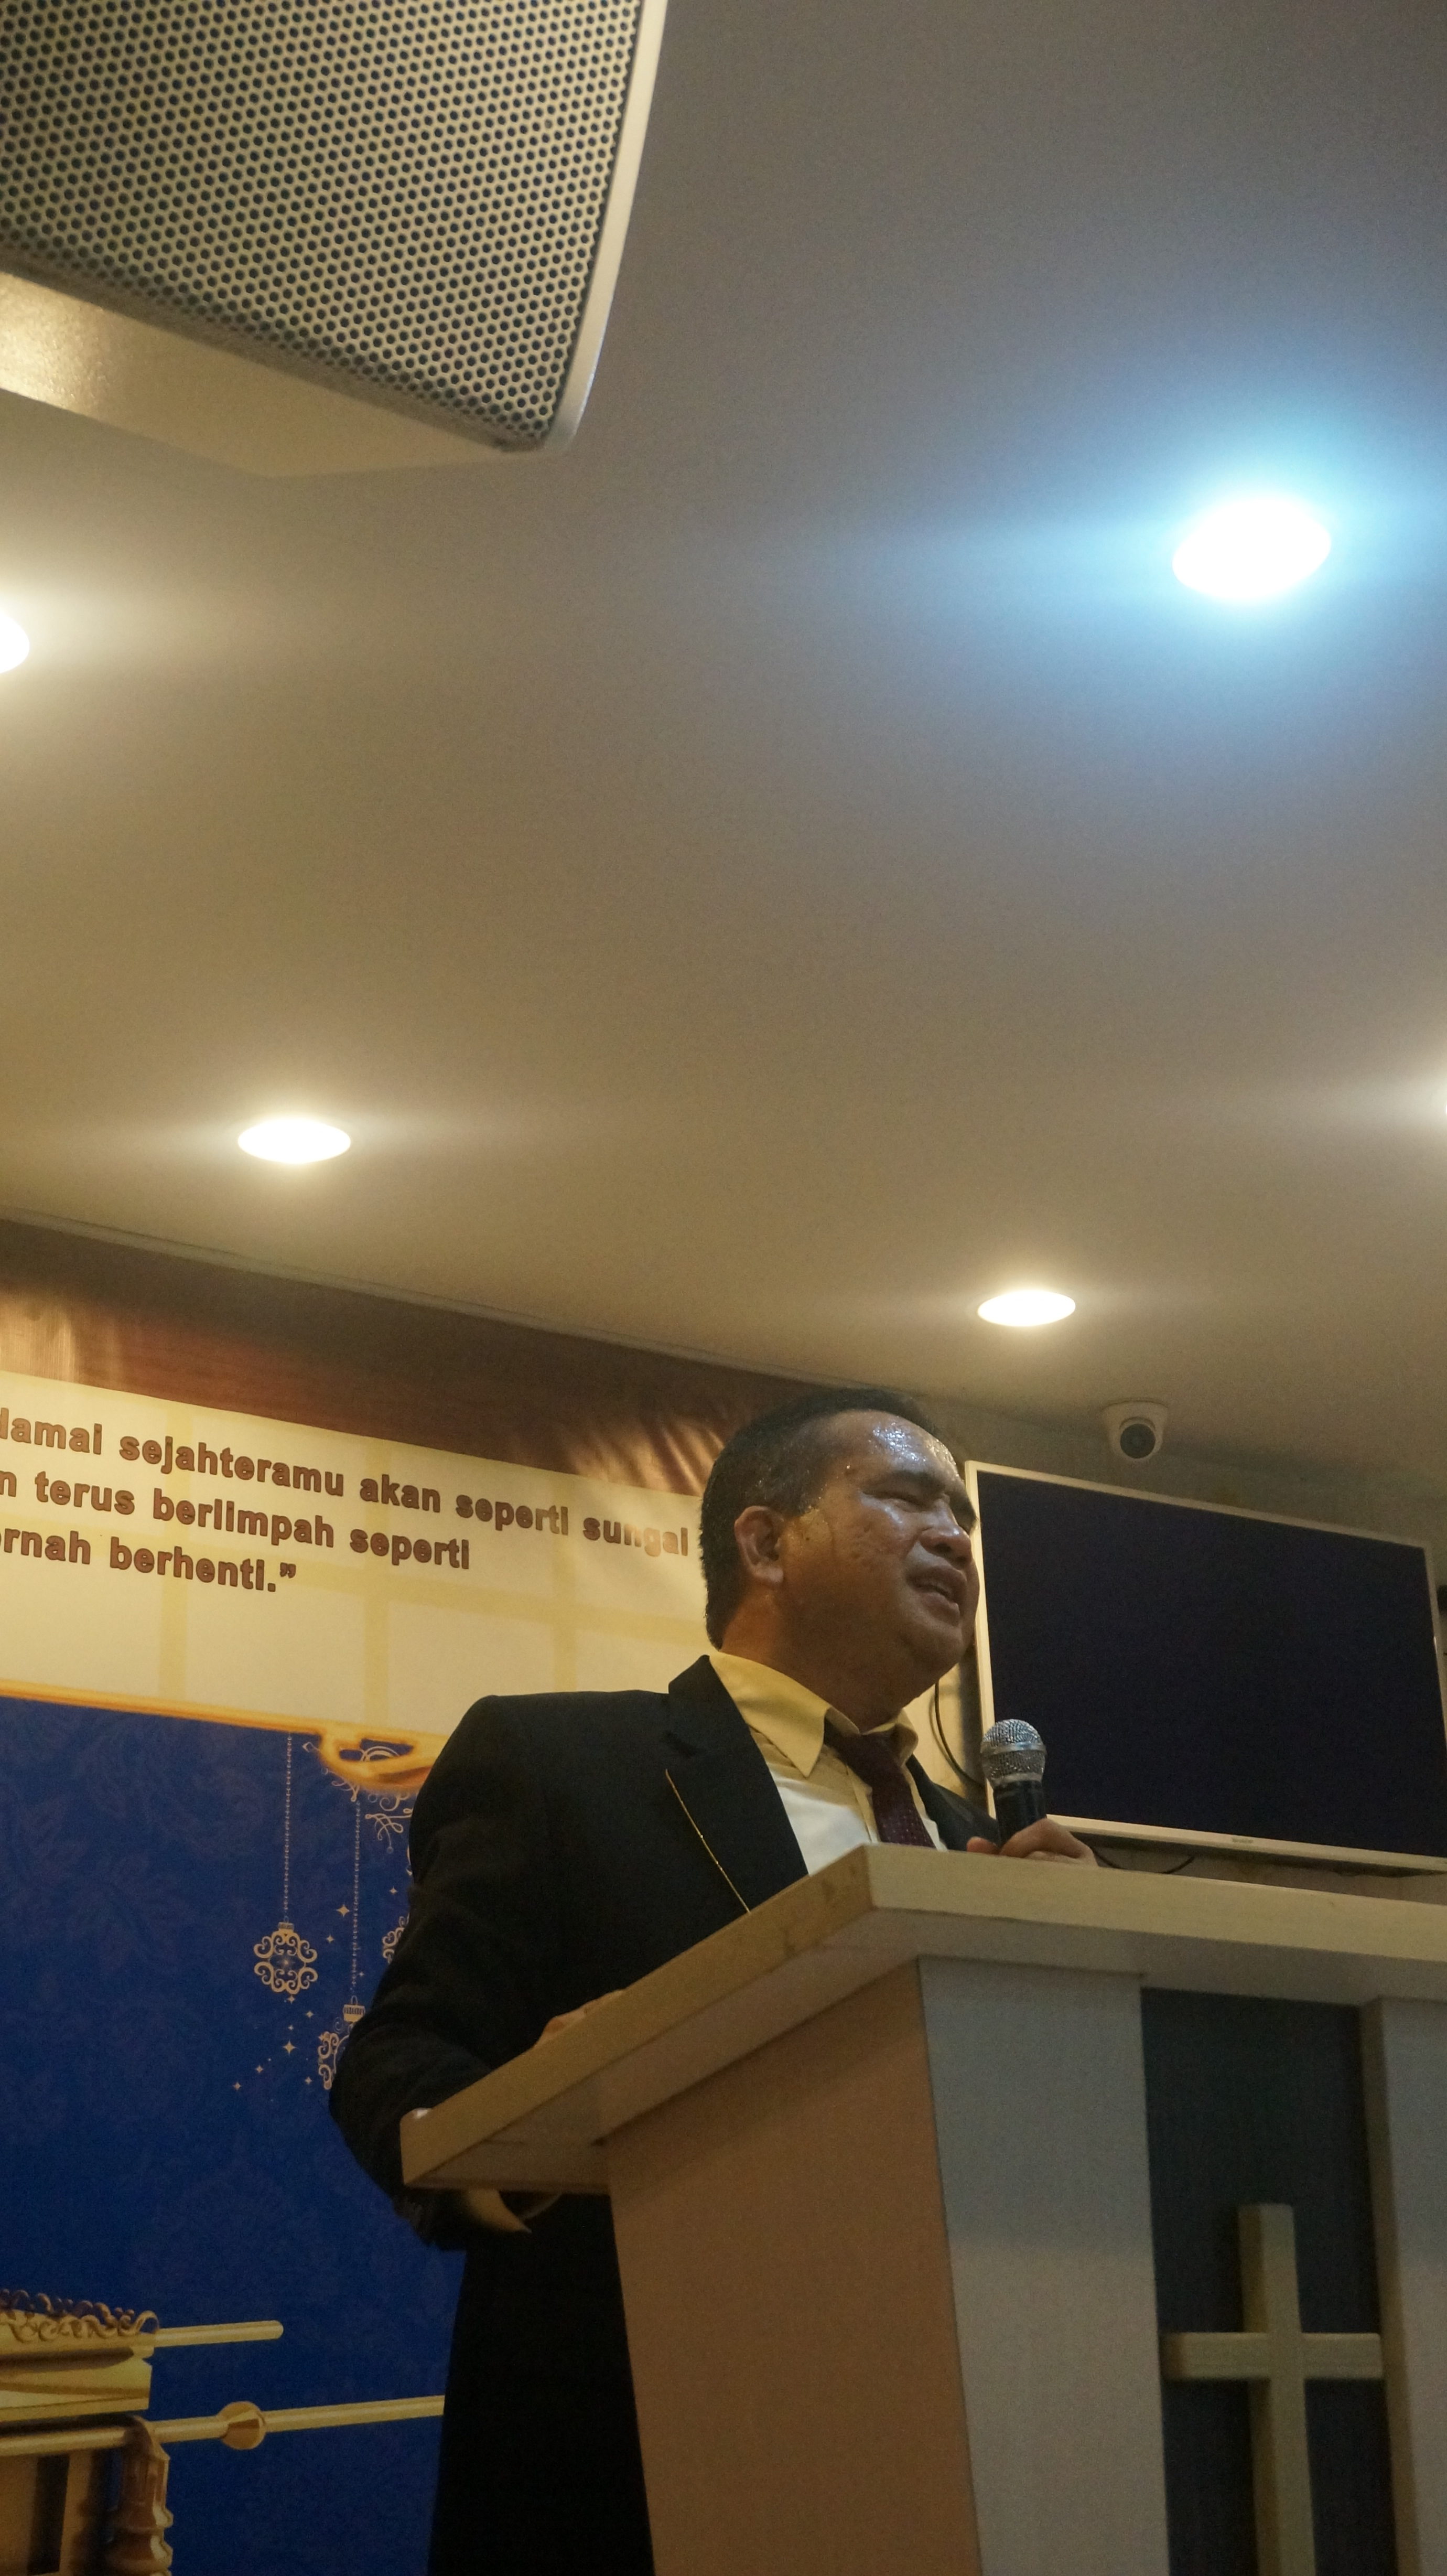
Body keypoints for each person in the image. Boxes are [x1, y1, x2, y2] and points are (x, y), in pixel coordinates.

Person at [331, 1389, 1094, 2574]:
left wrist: (1079, 1982)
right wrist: (545, 2113)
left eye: (964, 1517)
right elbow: (396, 2066)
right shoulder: (564, 1764)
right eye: (908, 1499)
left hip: (956, 2443)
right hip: (640, 2450)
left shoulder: (980, 1843)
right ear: (766, 1542)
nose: (954, 1537)